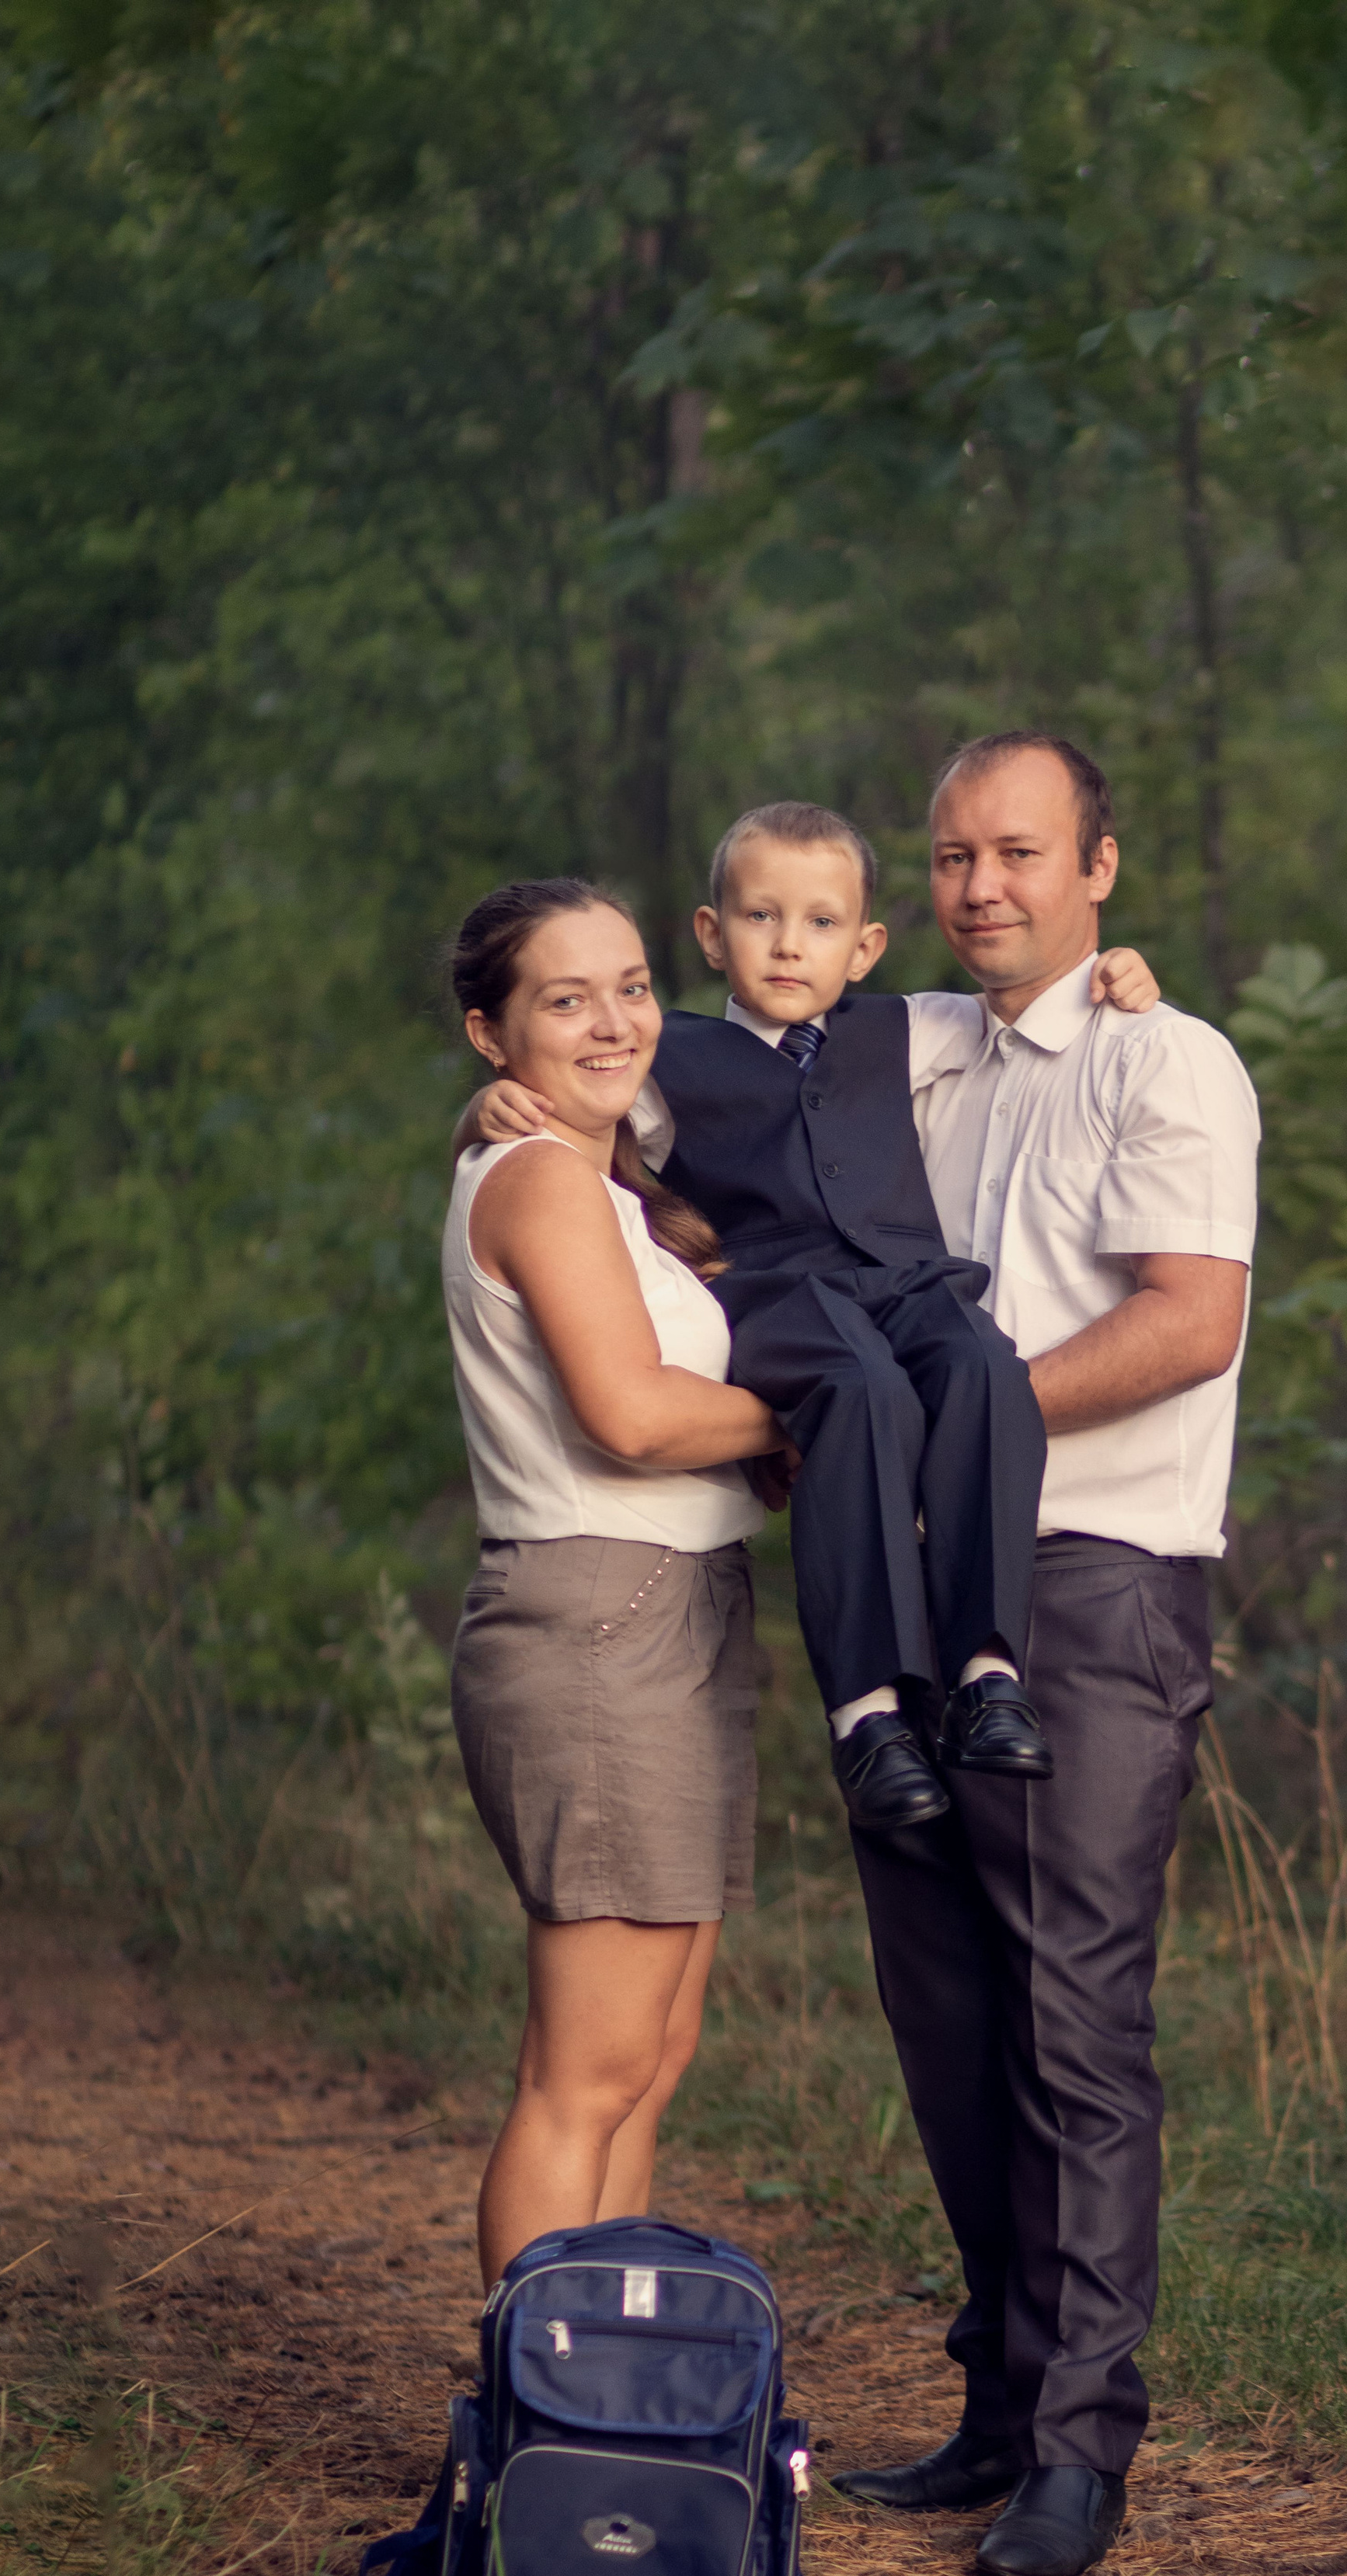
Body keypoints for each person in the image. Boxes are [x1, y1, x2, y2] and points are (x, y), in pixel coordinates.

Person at [830, 732, 1261, 2576]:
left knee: (1070, 2014)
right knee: (946, 2011)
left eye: (1018, 852)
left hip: (1090, 1581)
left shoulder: (1168, 1061)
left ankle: (1081, 2449)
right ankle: (1001, 2407)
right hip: (913, 1593)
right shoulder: (912, 1050)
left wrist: (959, 1426)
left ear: (1099, 866)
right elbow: (702, 1077)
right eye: (951, 857)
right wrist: (521, 1116)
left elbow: (1187, 1322)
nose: (980, 885)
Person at [459, 801, 1164, 1835]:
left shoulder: (909, 1027)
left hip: (906, 1283)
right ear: (712, 934)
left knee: (985, 1369)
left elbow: (1035, 1002)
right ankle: (868, 1712)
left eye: (822, 924)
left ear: (865, 947)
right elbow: (566, 1113)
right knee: (859, 1391)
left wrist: (1118, 973)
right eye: (761, 917)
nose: (791, 945)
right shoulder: (663, 1057)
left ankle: (986, 1670)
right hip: (778, 1299)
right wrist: (481, 1109)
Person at [441, 877, 785, 2285]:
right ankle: (531, 2397)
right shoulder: (538, 1180)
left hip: (676, 1606)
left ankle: (604, 2379)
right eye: (565, 999)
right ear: (493, 1033)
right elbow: (633, 1417)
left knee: (647, 2059)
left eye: (632, 987)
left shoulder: (607, 1176)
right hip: (598, 1617)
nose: (614, 1022)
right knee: (583, 2073)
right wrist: (826, 1415)